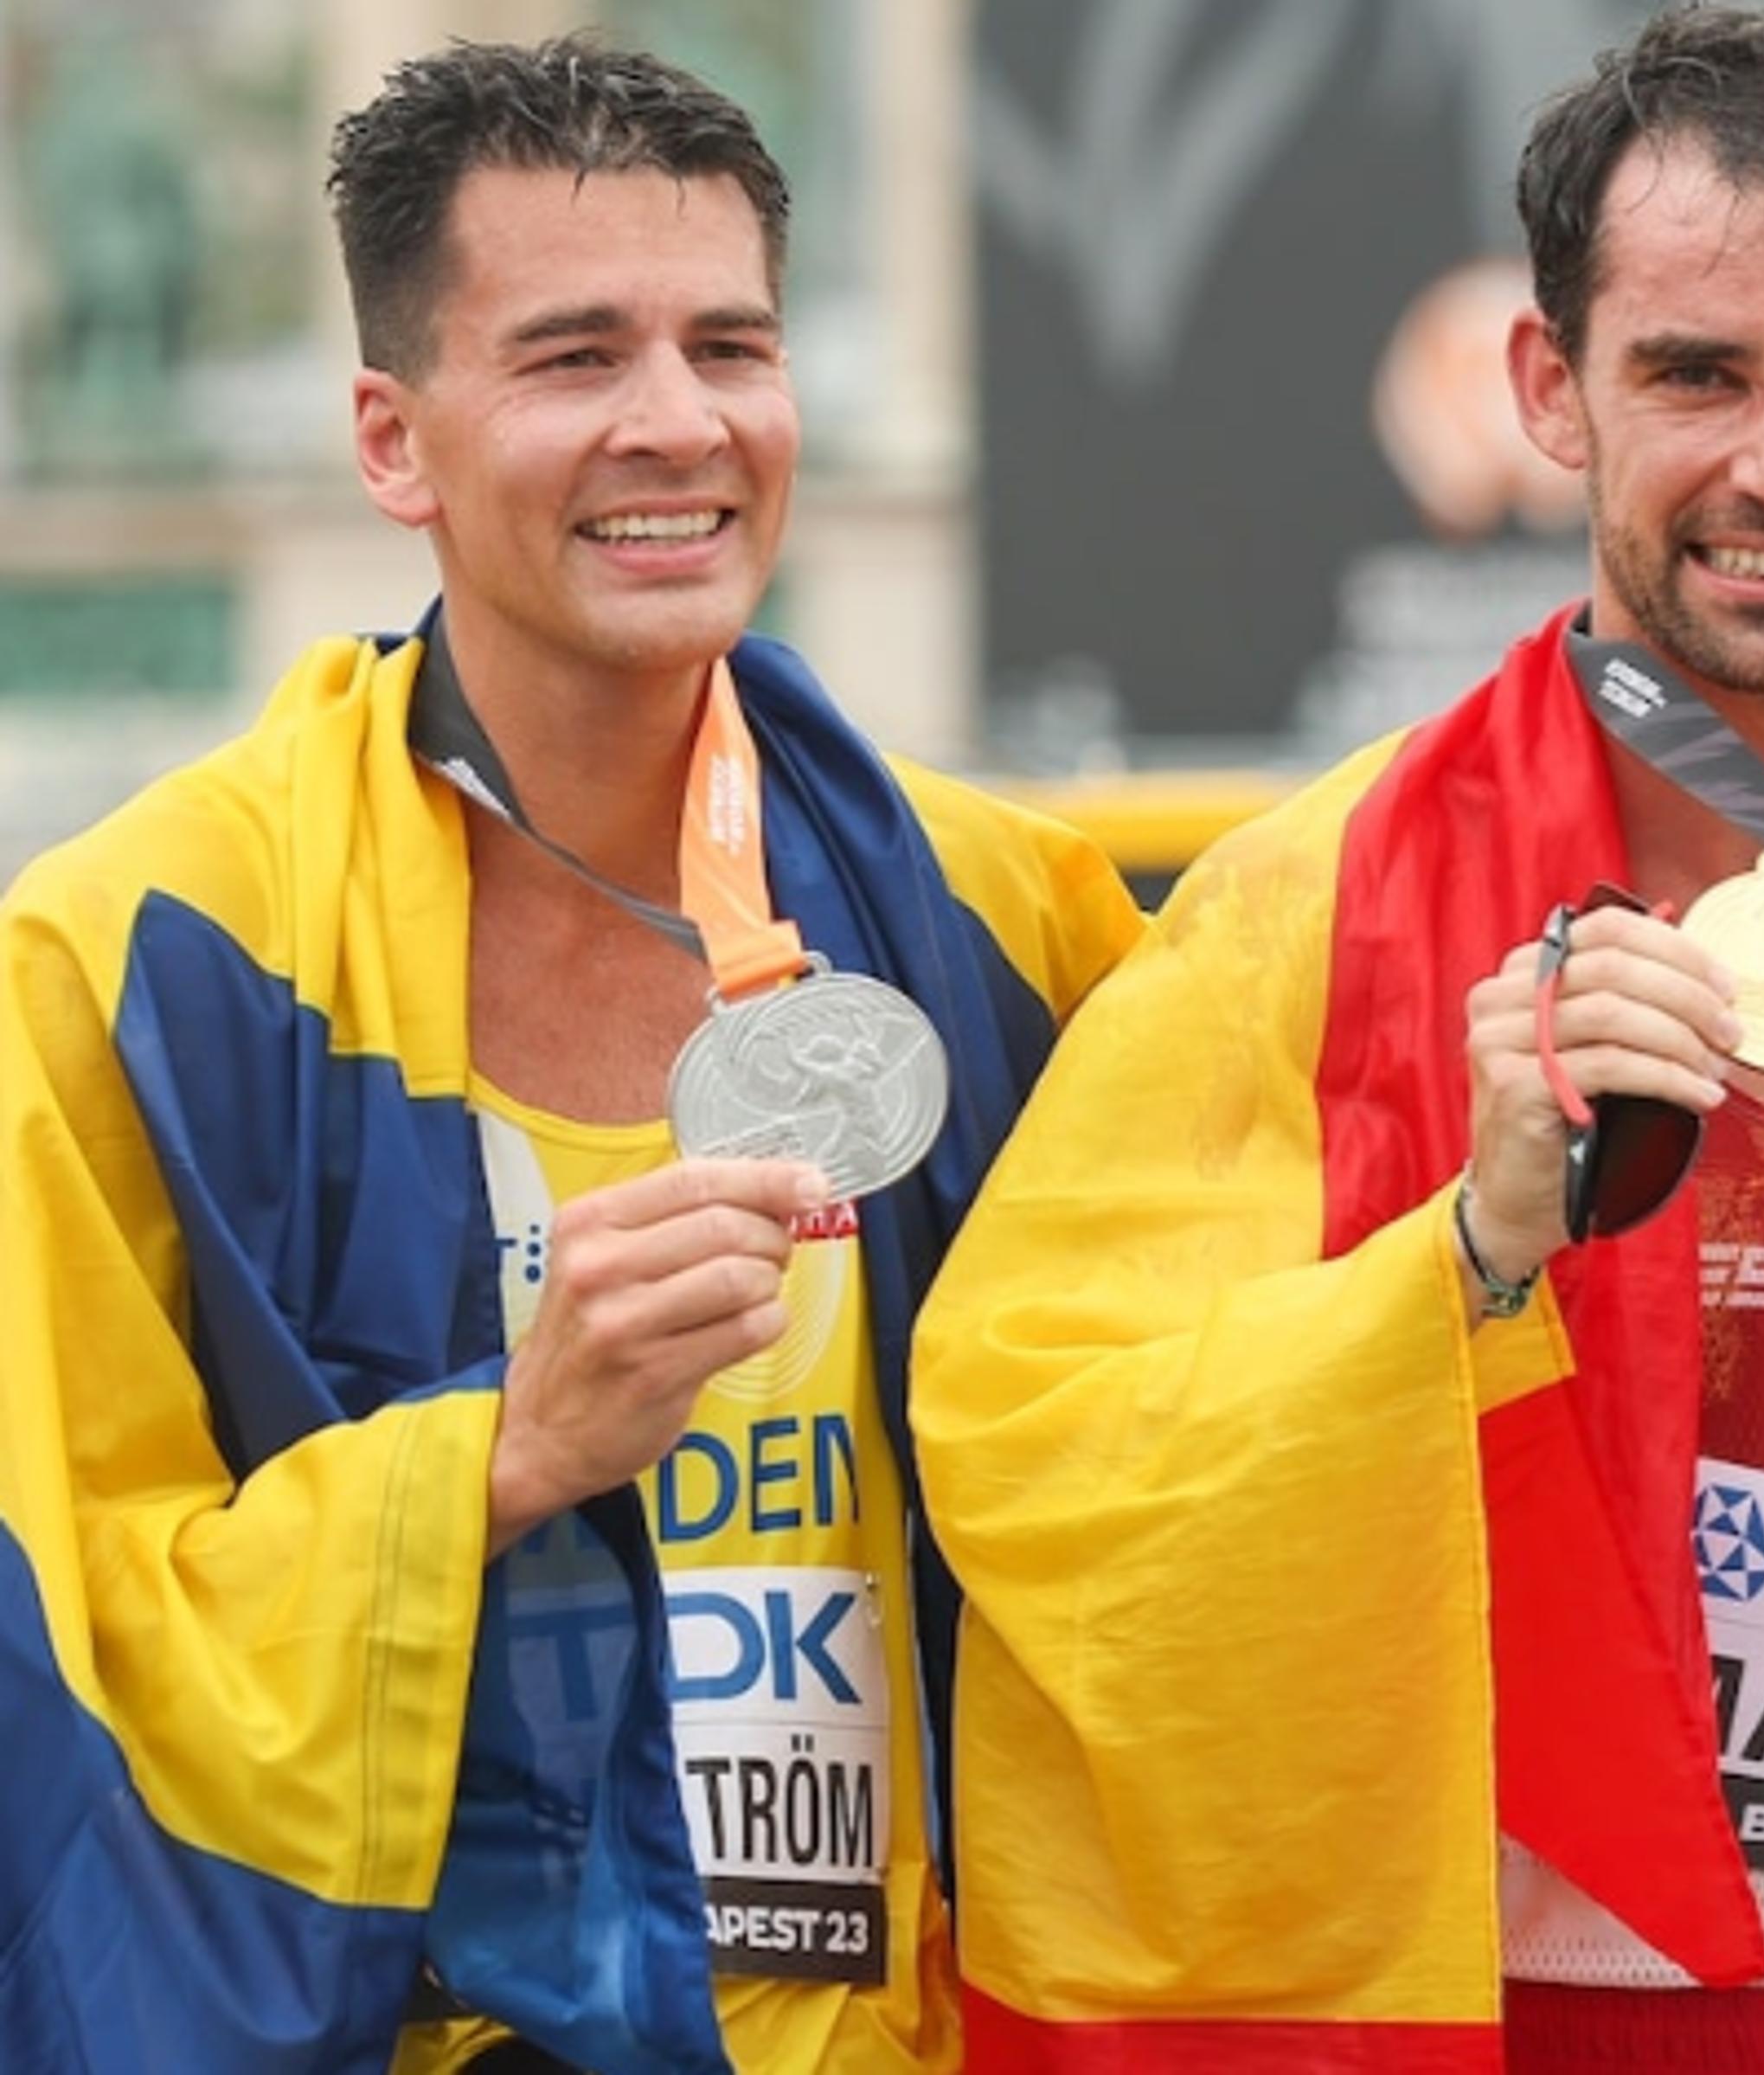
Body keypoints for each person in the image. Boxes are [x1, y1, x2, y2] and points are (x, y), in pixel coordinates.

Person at [911, 8, 1764, 2069]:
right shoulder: (1309, 907)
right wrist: (1466, 1261)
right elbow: (1034, 1452)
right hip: (1525, 2021)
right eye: (1693, 372)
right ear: (1546, 389)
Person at [0, 36, 1146, 2072]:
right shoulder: (133, 958)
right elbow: (64, 1647)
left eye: (732, 343)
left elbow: (1312, 1135)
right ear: (393, 435)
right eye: (572, 356)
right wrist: (505, 1450)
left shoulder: (1004, 917)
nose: (679, 424)